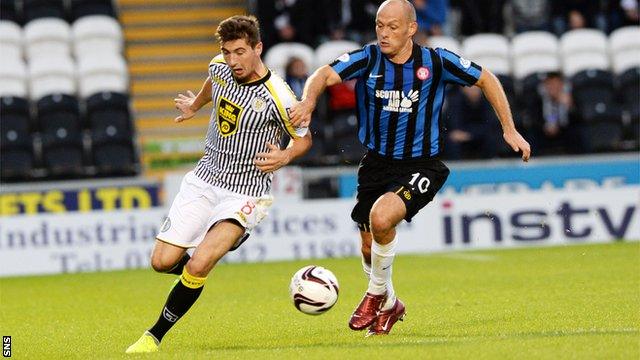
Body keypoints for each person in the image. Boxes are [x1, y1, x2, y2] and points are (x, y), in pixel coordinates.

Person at [290, 0, 530, 336]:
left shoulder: (437, 61)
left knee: (381, 218)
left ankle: (374, 296)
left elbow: (486, 78)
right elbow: (323, 74)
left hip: (422, 165)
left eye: (392, 27)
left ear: (411, 29)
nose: (384, 33)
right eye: (379, 25)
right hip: (375, 164)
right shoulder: (369, 58)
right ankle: (390, 304)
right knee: (367, 246)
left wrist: (509, 128)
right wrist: (308, 101)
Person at [125, 15, 311, 353]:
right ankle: (202, 265)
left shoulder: (280, 96)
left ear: (258, 48)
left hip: (246, 192)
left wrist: (285, 156)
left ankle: (153, 336)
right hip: (204, 180)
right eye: (227, 52)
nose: (233, 60)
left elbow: (304, 138)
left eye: (241, 52)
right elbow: (213, 81)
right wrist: (196, 104)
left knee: (198, 263)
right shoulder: (219, 67)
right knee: (162, 261)